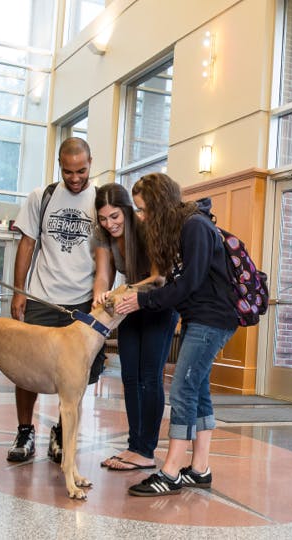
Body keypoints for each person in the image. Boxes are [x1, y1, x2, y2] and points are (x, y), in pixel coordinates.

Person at [115, 172, 238, 497]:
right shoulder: (183, 227)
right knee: (197, 390)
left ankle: (169, 472)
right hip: (201, 318)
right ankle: (199, 470)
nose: (140, 217)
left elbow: (189, 283)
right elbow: (181, 283)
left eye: (143, 210)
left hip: (212, 319)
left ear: (159, 205)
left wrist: (144, 301)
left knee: (182, 390)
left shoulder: (195, 226)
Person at [7, 137, 103, 464]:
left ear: (91, 162)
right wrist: (19, 292)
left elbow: (108, 254)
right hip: (41, 298)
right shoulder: (43, 197)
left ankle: (61, 434)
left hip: (83, 306)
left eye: (81, 171)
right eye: (68, 171)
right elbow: (26, 245)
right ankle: (24, 430)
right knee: (26, 370)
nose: (74, 178)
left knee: (76, 377)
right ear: (59, 165)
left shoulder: (101, 200)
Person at [92, 183, 178, 471]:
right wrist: (101, 295)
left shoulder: (144, 227)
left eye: (115, 217)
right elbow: (104, 275)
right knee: (129, 376)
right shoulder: (104, 235)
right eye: (103, 218)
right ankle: (134, 446)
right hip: (130, 307)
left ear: (127, 210)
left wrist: (124, 291)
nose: (109, 224)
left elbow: (158, 277)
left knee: (149, 377)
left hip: (157, 305)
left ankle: (146, 450)